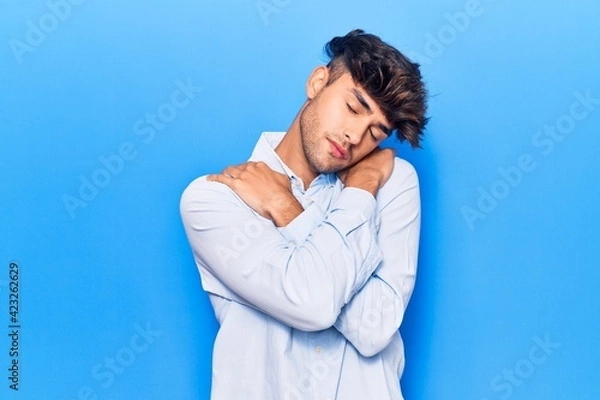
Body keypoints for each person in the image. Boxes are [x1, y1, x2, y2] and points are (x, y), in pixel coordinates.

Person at [180, 29, 428, 400]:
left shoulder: (390, 183)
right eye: (354, 107)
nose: (355, 136)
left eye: (376, 131)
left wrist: (290, 209)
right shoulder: (215, 199)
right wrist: (351, 197)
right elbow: (314, 304)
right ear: (317, 82)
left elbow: (375, 330)